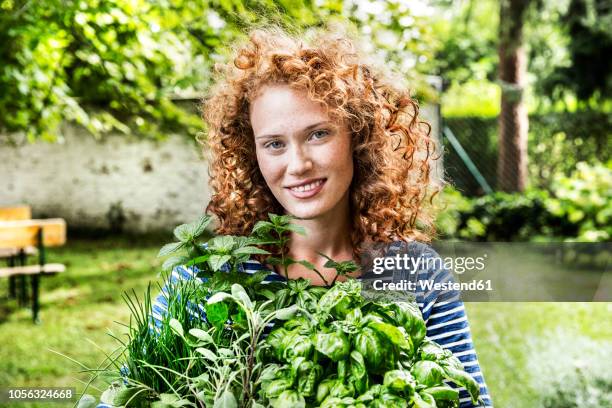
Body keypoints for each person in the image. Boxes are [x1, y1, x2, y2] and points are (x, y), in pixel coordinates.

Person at [152, 27, 493, 407]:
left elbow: (469, 401)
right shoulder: (205, 280)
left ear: (359, 137)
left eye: (318, 135)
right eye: (275, 144)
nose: (298, 165)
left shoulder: (416, 273)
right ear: (254, 154)